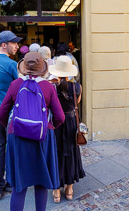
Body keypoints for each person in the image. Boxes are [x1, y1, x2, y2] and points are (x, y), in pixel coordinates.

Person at [0, 52, 65, 211]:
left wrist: (11, 128)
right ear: (42, 68)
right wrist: (50, 127)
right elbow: (60, 116)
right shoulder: (48, 87)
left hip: (18, 136)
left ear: (24, 67)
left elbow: (1, 114)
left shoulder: (15, 85)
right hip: (42, 136)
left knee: (19, 186)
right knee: (41, 182)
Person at [0, 30, 22, 200]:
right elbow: (21, 86)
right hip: (9, 112)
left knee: (0, 146)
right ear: (3, 44)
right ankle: (13, 180)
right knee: (13, 146)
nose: (17, 46)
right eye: (13, 43)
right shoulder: (11, 64)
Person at [49, 55, 86, 203]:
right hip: (70, 122)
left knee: (55, 154)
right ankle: (69, 189)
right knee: (71, 153)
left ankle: (56, 191)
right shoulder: (77, 87)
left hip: (56, 123)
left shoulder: (51, 87)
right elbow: (76, 104)